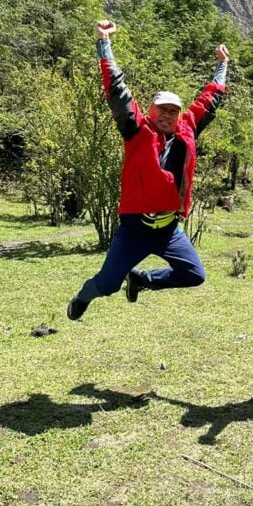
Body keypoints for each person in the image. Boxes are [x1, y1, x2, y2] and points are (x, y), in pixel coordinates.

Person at [67, 20, 228, 320]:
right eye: (161, 109)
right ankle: (81, 297)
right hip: (134, 230)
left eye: (172, 111)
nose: (167, 115)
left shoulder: (188, 128)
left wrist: (223, 65)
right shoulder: (137, 130)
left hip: (168, 230)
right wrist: (103, 43)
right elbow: (116, 88)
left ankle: (143, 279)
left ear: (179, 115)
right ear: (151, 111)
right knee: (107, 284)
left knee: (195, 274)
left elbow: (212, 98)